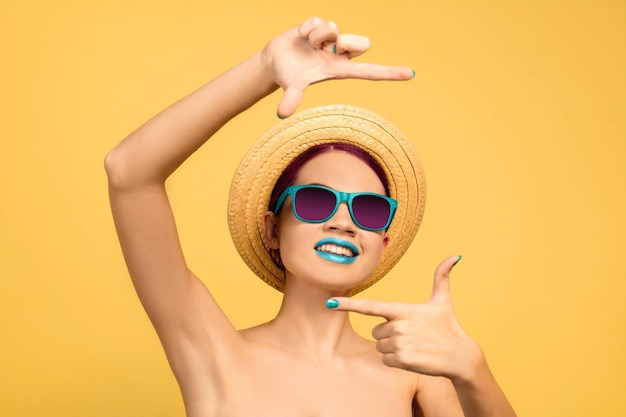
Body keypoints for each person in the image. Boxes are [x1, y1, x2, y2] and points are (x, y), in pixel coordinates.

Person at [105, 16, 516, 417]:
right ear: (272, 229)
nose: (343, 221)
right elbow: (129, 172)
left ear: (383, 243)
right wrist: (263, 69)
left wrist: (473, 370)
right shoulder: (215, 354)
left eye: (368, 209)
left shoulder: (416, 377)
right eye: (317, 201)